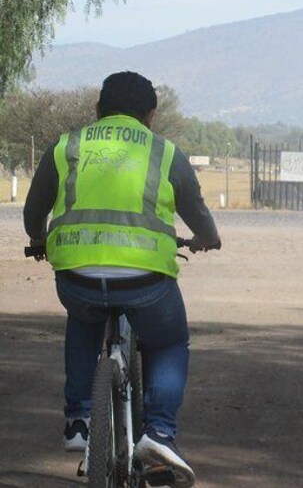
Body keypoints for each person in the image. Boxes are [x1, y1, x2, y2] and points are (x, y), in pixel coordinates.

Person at [23, 71, 220, 488]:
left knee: (84, 318)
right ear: (151, 116)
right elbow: (196, 210)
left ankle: (78, 419)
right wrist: (207, 238)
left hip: (76, 271)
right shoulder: (164, 152)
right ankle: (160, 433)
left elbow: (34, 208)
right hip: (146, 279)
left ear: (97, 110)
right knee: (168, 341)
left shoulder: (67, 145)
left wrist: (38, 239)